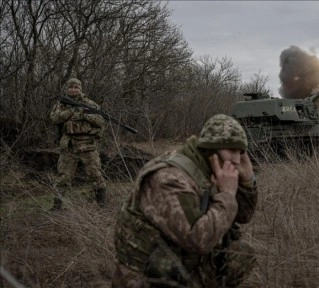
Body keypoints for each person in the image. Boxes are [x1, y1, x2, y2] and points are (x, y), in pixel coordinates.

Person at [112, 114, 258, 288]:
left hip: (179, 260)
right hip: (145, 275)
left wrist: (247, 181)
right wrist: (226, 194)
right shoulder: (170, 178)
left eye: (240, 152)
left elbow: (243, 215)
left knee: (240, 254)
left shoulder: (210, 168)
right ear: (210, 149)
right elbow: (197, 240)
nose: (236, 159)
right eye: (231, 150)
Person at [49, 78, 107, 210]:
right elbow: (55, 119)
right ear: (67, 89)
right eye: (71, 87)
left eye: (76, 87)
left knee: (96, 175)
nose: (73, 89)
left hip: (88, 145)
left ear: (81, 89)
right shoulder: (61, 104)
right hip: (69, 146)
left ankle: (101, 206)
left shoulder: (90, 104)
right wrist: (72, 111)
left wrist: (84, 115)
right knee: (63, 178)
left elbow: (101, 121)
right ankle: (56, 208)